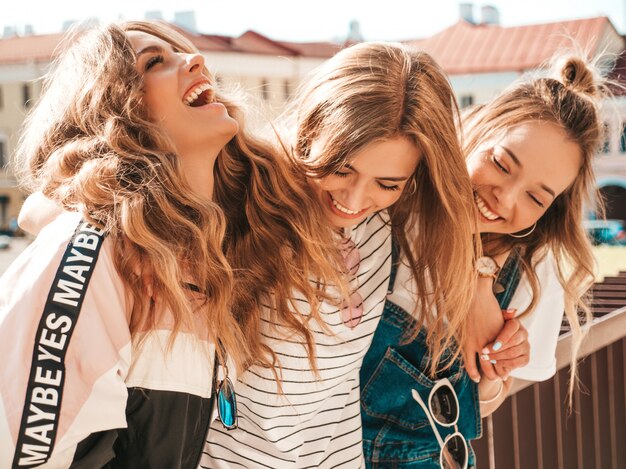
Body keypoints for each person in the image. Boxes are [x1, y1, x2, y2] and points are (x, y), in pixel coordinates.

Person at [0, 20, 343, 468]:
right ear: (116, 112)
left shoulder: (202, 257)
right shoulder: (93, 254)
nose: (195, 60)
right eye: (155, 62)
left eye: (184, 52)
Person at [200, 42, 478, 468]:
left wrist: (486, 278)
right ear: (312, 129)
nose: (354, 199)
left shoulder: (390, 221)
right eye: (341, 167)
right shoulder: (245, 194)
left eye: (387, 183)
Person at [360, 54, 606, 468]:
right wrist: (475, 276)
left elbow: (485, 405)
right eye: (501, 163)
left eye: (535, 197)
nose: (505, 199)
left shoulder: (534, 264)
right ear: (477, 128)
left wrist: (493, 373)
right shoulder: (393, 196)